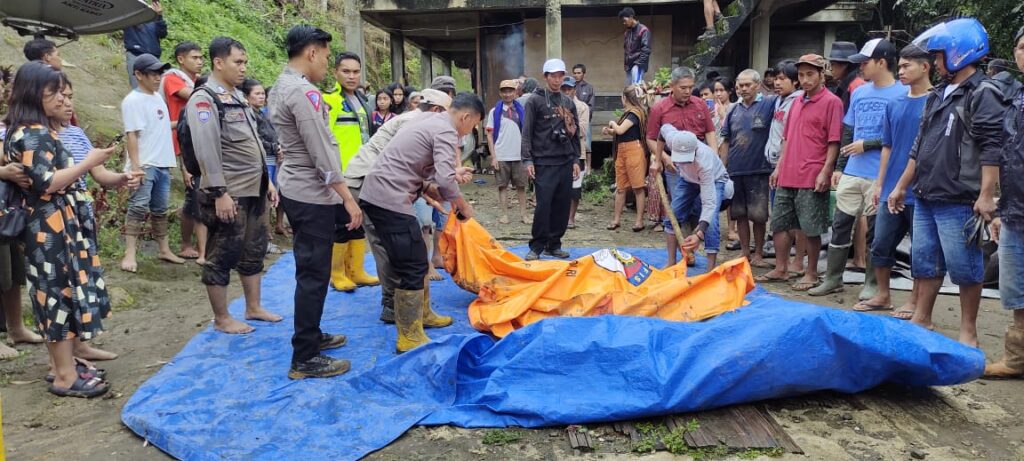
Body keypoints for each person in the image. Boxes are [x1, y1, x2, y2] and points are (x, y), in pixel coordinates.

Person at [888, 18, 1006, 347]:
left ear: (959, 53)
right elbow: (919, 145)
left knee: (966, 267)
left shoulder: (984, 92)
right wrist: (901, 185)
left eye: (939, 56)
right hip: (926, 193)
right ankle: (922, 318)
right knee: (924, 261)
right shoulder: (938, 93)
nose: (936, 63)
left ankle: (969, 331)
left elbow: (991, 146)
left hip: (959, 198)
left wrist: (985, 195)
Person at [5, 62, 117, 397]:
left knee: (62, 293)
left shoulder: (39, 130)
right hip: (49, 228)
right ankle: (66, 377)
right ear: (33, 93)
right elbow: (46, 183)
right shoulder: (32, 133)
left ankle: (62, 368)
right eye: (53, 92)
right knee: (55, 296)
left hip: (59, 225)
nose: (61, 99)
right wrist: (88, 162)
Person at [359, 94, 481, 353]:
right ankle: (409, 335)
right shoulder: (447, 131)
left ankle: (423, 315)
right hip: (387, 198)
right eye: (473, 125)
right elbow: (446, 182)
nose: (470, 132)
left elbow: (412, 164)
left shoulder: (429, 118)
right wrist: (461, 205)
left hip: (383, 192)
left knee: (414, 257)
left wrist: (432, 186)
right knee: (413, 263)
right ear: (465, 117)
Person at [269, 25, 358, 379]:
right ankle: (304, 357)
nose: (326, 64)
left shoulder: (280, 85)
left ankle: (312, 335)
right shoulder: (303, 93)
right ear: (311, 52)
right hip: (310, 192)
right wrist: (348, 199)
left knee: (311, 269)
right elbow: (321, 151)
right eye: (324, 56)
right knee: (313, 273)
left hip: (297, 187)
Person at [185, 38, 281, 335]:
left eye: (245, 62)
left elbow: (252, 144)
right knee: (222, 254)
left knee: (254, 249)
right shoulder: (204, 99)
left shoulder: (236, 96)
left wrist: (268, 182)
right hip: (229, 192)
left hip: (254, 188)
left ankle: (253, 306)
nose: (243, 68)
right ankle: (222, 317)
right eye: (237, 62)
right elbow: (206, 148)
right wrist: (218, 192)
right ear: (218, 62)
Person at [345, 89, 452, 323]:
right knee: (388, 244)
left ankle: (402, 304)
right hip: (366, 180)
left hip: (378, 180)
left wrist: (426, 190)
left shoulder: (417, 121)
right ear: (436, 111)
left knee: (398, 242)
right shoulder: (413, 122)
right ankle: (392, 304)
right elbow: (400, 164)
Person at [810, 38, 905, 300]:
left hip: (880, 174)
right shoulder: (859, 91)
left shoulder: (901, 94)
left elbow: (902, 137)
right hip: (852, 171)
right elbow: (848, 130)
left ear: (882, 62)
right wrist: (840, 166)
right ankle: (833, 279)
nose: (860, 67)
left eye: (864, 62)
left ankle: (872, 283)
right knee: (840, 223)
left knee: (876, 229)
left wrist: (869, 144)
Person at [56, 79, 140, 364]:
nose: (68, 103)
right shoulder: (33, 135)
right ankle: (60, 357)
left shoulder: (77, 133)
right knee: (61, 282)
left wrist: (123, 178)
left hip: (81, 210)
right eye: (61, 97)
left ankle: (80, 344)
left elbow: (100, 174)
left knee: (83, 277)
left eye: (71, 96)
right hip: (55, 214)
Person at [856, 44, 933, 320]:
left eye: (906, 66)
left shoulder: (936, 101)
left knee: (921, 250)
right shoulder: (894, 104)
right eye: (899, 66)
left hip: (922, 189)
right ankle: (883, 295)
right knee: (880, 243)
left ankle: (914, 300)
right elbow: (887, 146)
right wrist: (880, 184)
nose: (900, 71)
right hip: (891, 188)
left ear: (925, 67)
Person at [758, 54, 842, 291]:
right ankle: (781, 267)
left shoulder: (832, 102)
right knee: (780, 223)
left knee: (811, 227)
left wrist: (826, 171)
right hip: (787, 172)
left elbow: (833, 141)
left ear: (821, 74)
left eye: (810, 74)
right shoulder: (795, 102)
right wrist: (779, 167)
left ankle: (811, 272)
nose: (805, 80)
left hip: (811, 173)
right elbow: (786, 139)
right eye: (802, 75)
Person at [646, 66, 719, 266]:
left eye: (690, 87)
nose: (688, 91)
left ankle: (694, 247)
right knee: (678, 209)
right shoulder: (660, 108)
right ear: (672, 86)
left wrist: (713, 155)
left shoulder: (700, 105)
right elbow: (652, 138)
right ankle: (680, 255)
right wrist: (664, 159)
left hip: (700, 163)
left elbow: (710, 132)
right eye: (683, 87)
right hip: (675, 167)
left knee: (701, 207)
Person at [983, 25, 1024, 378]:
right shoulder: (1016, 101)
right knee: (1015, 288)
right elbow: (1007, 157)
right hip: (1014, 211)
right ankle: (1017, 359)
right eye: (1022, 47)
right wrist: (998, 204)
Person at [120, 53, 186, 272]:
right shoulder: (133, 100)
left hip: (162, 163)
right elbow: (132, 135)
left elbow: (161, 126)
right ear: (139, 75)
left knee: (159, 209)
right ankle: (129, 254)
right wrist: (137, 167)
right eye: (152, 74)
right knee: (138, 207)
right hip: (146, 164)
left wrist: (184, 120)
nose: (158, 78)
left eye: (159, 73)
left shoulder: (157, 98)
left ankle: (164, 249)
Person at [323, 52, 378, 292]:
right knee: (341, 223)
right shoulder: (329, 100)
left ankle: (356, 270)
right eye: (346, 71)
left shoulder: (363, 101)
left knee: (359, 221)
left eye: (356, 72)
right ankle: (337, 274)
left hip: (362, 172)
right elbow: (323, 139)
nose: (352, 76)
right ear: (335, 72)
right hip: (340, 174)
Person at [521, 59, 582, 261]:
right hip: (543, 162)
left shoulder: (568, 102)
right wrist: (527, 160)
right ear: (545, 76)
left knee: (562, 205)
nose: (557, 80)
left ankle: (554, 244)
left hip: (565, 160)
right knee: (543, 206)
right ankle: (537, 245)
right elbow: (527, 132)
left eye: (560, 76)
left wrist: (575, 159)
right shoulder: (534, 101)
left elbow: (575, 133)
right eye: (553, 76)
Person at [718, 69, 775, 269]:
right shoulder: (733, 110)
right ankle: (744, 252)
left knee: (759, 216)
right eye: (740, 85)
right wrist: (723, 168)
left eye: (747, 85)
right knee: (739, 214)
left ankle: (758, 253)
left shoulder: (769, 104)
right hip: (735, 170)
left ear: (757, 85)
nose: (743, 88)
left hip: (759, 170)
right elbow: (725, 140)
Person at [652, 125, 730, 265]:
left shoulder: (704, 162)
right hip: (687, 178)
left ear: (695, 151)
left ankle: (710, 270)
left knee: (710, 222)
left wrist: (699, 235)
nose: (682, 162)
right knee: (672, 215)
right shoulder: (672, 138)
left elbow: (709, 203)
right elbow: (662, 131)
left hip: (715, 179)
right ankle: (671, 263)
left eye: (686, 158)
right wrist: (658, 160)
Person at [160, 41, 207, 263]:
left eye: (201, 58)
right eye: (195, 58)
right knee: (193, 194)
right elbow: (197, 97)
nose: (200, 62)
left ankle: (197, 245)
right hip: (180, 140)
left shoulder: (197, 81)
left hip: (197, 139)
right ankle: (188, 244)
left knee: (197, 195)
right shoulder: (172, 78)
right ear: (181, 59)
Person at [765, 59, 807, 273]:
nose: (777, 82)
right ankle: (785, 261)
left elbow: (790, 137)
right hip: (775, 163)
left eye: (783, 79)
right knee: (781, 216)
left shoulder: (798, 101)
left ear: (795, 82)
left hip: (791, 166)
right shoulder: (778, 101)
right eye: (776, 78)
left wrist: (781, 165)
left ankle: (798, 262)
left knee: (796, 218)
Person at [240, 77, 284, 255]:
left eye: (262, 94)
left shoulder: (259, 114)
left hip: (271, 160)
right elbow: (256, 139)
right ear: (246, 96)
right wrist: (276, 147)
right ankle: (259, 242)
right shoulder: (248, 115)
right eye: (257, 94)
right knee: (263, 201)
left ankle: (262, 239)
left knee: (269, 200)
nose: (261, 97)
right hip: (260, 162)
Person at [604, 85, 648, 232]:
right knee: (621, 187)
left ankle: (639, 221)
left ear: (625, 98)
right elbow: (621, 132)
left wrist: (612, 123)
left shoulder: (635, 113)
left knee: (638, 187)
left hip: (634, 150)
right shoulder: (629, 114)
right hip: (623, 150)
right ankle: (616, 219)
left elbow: (621, 129)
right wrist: (610, 131)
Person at [486, 79, 528, 225]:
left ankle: (524, 214)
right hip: (501, 154)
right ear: (500, 93)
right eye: (504, 91)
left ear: (515, 93)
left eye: (510, 91)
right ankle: (504, 215)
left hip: (519, 154)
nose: (507, 94)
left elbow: (527, 133)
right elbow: (490, 135)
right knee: (502, 186)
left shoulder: (522, 111)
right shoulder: (494, 112)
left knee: (521, 186)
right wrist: (493, 157)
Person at [563, 76, 590, 229]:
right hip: (559, 153)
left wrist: (565, 129)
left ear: (574, 90)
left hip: (577, 152)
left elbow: (582, 130)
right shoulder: (555, 106)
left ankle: (571, 218)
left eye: (569, 89)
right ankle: (561, 215)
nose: (567, 92)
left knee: (575, 189)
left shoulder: (582, 107)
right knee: (561, 187)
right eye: (564, 89)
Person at [123, 0, 167, 89]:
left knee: (157, 89)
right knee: (138, 88)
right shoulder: (128, 13)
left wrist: (159, 16)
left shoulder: (152, 16)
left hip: (153, 58)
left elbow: (162, 34)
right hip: (135, 55)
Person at [826, 41, 866, 112]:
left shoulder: (856, 86)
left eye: (833, 64)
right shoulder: (846, 84)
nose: (830, 69)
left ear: (844, 65)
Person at [619, 7, 651, 86]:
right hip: (629, 66)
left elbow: (646, 49)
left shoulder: (643, 30)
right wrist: (626, 65)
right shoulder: (627, 33)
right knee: (629, 90)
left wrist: (638, 64)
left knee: (636, 89)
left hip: (637, 64)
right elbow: (626, 50)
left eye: (625, 20)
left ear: (631, 17)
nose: (624, 23)